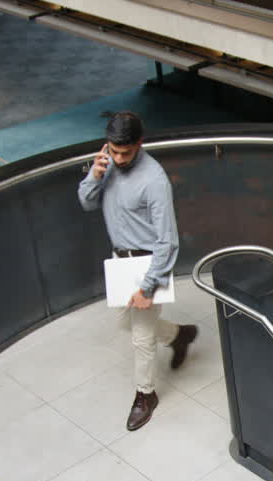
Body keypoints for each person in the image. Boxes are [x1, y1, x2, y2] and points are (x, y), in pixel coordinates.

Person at [78, 111, 196, 431]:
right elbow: (87, 202)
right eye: (113, 151)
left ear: (139, 144)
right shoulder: (107, 165)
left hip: (147, 263)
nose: (118, 158)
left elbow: (168, 241)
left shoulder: (154, 180)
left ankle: (146, 395)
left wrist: (147, 288)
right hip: (120, 261)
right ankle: (178, 335)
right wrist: (95, 175)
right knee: (123, 322)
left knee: (141, 337)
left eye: (125, 153)